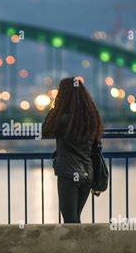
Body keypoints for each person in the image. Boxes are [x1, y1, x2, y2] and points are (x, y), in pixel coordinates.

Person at [42, 77, 104, 223]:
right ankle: (80, 245)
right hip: (87, 174)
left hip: (68, 174)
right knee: (75, 218)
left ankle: (78, 246)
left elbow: (45, 130)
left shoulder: (63, 119)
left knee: (70, 221)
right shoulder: (91, 119)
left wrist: (54, 106)